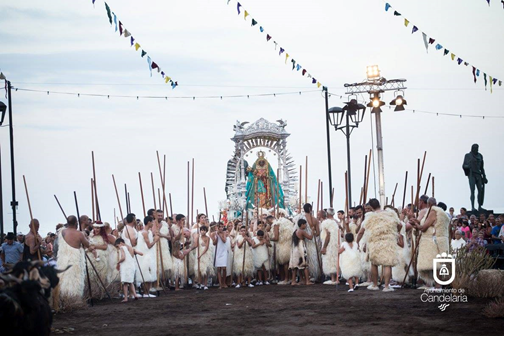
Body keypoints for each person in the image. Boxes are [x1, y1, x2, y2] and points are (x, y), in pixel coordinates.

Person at [357, 199, 400, 293]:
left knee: (374, 263)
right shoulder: (390, 214)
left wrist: (357, 242)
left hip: (375, 242)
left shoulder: (370, 217)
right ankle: (386, 286)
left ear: (370, 207)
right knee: (387, 263)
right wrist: (395, 232)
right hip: (388, 241)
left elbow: (361, 232)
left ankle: (375, 284)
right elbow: (399, 225)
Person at [413, 198, 450, 290]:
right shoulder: (442, 213)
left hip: (433, 240)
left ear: (429, 204)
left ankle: (437, 286)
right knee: (438, 263)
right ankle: (436, 285)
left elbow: (424, 227)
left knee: (436, 264)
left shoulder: (433, 212)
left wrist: (416, 225)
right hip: (441, 239)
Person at [57, 216, 92, 306]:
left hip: (63, 260)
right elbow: (88, 245)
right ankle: (74, 300)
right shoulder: (79, 234)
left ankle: (64, 299)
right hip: (74, 260)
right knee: (75, 279)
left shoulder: (62, 232)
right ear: (76, 223)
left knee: (64, 278)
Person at [293, 204, 321, 281]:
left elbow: (294, 231)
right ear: (310, 209)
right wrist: (312, 232)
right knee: (310, 259)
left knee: (304, 259)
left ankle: (305, 277)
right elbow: (318, 233)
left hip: (302, 242)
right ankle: (312, 276)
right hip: (310, 242)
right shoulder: (314, 220)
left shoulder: (299, 218)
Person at [269, 209, 293, 285]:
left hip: (282, 245)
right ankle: (289, 278)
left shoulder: (276, 224)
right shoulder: (289, 223)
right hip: (289, 245)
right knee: (288, 262)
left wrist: (269, 238)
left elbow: (276, 238)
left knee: (284, 263)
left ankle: (286, 279)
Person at [136, 216, 159, 297]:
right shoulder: (144, 233)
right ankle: (146, 293)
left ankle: (147, 292)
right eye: (152, 222)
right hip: (145, 256)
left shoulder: (148, 232)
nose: (153, 224)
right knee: (146, 274)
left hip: (149, 255)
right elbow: (149, 245)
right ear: (149, 222)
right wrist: (155, 240)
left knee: (149, 273)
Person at [115, 238, 143, 302]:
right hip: (132, 266)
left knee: (125, 283)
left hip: (126, 267)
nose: (118, 248)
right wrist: (134, 252)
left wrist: (118, 262)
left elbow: (123, 257)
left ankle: (125, 298)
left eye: (117, 246)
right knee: (130, 282)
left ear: (121, 243)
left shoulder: (122, 248)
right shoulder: (130, 247)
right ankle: (135, 295)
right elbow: (141, 253)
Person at [290, 219, 314, 286]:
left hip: (295, 249)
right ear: (302, 224)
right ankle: (307, 281)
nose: (306, 225)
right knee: (304, 265)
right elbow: (310, 237)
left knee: (295, 266)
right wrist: (312, 231)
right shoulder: (302, 231)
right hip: (301, 248)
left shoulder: (295, 231)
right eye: (305, 224)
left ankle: (293, 281)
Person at [320, 208, 340, 285]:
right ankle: (335, 278)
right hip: (336, 244)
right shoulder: (336, 222)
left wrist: (324, 247)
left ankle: (333, 279)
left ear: (327, 214)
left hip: (329, 244)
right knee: (334, 259)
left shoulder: (326, 223)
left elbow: (328, 235)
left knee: (330, 259)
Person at [195, 226, 215, 290]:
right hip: (199, 254)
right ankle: (200, 283)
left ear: (206, 231)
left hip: (205, 254)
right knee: (200, 270)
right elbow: (196, 245)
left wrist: (201, 255)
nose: (203, 231)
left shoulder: (208, 238)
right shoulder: (198, 238)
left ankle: (205, 284)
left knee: (205, 270)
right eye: (201, 230)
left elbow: (206, 247)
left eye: (204, 230)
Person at [213, 222, 229, 289]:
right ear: (217, 227)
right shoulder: (215, 234)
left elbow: (224, 241)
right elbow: (214, 243)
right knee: (218, 268)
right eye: (220, 227)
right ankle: (220, 284)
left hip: (224, 251)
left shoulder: (224, 233)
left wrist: (219, 235)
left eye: (222, 227)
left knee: (224, 268)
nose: (221, 228)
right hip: (218, 252)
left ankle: (224, 282)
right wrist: (216, 237)